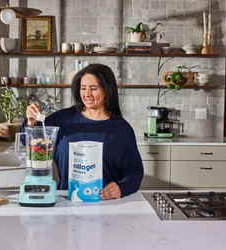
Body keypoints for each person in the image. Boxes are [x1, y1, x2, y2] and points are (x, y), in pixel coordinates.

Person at [21, 63, 144, 200]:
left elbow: (135, 173)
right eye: (83, 88)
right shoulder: (62, 120)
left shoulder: (121, 130)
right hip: (66, 203)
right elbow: (29, 141)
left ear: (107, 90)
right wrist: (31, 122)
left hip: (106, 205)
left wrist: (121, 189)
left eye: (93, 88)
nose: (87, 94)